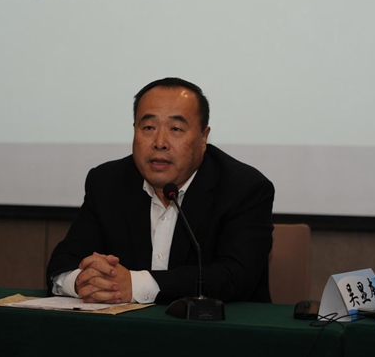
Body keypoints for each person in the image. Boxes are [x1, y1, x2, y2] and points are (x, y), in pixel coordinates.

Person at [46, 77, 275, 305]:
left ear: (203, 138)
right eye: (148, 127)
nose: (160, 142)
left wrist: (135, 285)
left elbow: (235, 276)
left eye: (176, 129)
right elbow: (63, 262)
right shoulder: (107, 182)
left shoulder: (244, 189)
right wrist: (83, 281)